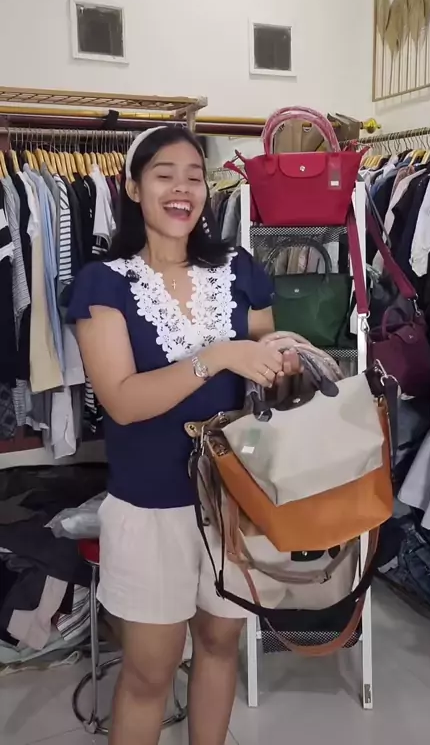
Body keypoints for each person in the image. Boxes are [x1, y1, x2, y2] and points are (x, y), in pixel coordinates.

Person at [67, 125, 299, 745]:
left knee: (220, 643)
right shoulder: (104, 282)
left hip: (235, 497)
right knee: (151, 670)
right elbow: (122, 402)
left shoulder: (239, 269)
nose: (182, 189)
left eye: (194, 177)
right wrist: (216, 357)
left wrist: (281, 362)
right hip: (150, 504)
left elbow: (264, 380)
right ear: (132, 187)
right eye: (164, 175)